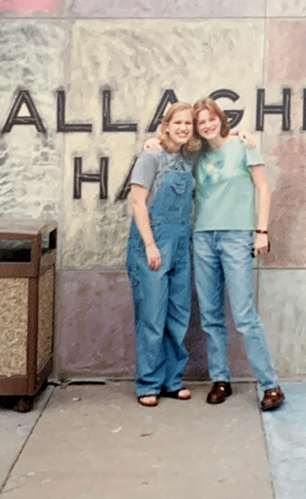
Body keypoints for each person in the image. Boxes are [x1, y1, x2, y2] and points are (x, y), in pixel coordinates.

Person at [191, 97, 284, 411]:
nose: (207, 125)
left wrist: (261, 231)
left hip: (236, 236)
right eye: (200, 121)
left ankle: (270, 385)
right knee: (210, 314)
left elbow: (263, 188)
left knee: (244, 314)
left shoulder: (244, 145)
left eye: (210, 119)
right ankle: (220, 379)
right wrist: (151, 141)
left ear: (220, 118)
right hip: (203, 236)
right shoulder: (196, 155)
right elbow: (165, 145)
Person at [126, 102, 199, 407]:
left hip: (181, 242)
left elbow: (218, 131)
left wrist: (243, 134)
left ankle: (172, 381)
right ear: (166, 126)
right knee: (152, 316)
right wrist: (150, 244)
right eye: (177, 122)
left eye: (188, 123)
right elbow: (137, 202)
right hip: (152, 242)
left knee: (178, 316)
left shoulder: (189, 156)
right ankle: (148, 384)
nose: (183, 128)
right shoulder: (150, 156)